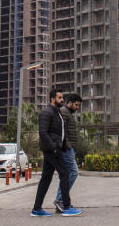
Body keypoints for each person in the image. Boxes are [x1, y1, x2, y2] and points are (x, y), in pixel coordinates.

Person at [31, 89, 81, 217]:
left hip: (55, 148)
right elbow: (43, 132)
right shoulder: (46, 113)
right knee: (65, 173)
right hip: (52, 149)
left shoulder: (57, 112)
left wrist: (62, 145)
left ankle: (36, 209)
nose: (62, 100)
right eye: (59, 98)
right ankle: (66, 207)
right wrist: (53, 147)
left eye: (62, 98)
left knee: (46, 179)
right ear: (52, 99)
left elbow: (61, 132)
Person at [54, 93, 82, 213]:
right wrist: (67, 146)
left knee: (66, 175)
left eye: (79, 105)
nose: (78, 107)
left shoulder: (67, 112)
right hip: (66, 149)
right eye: (76, 105)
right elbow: (61, 131)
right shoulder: (64, 112)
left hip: (69, 148)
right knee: (74, 172)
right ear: (69, 103)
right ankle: (60, 199)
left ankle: (60, 201)